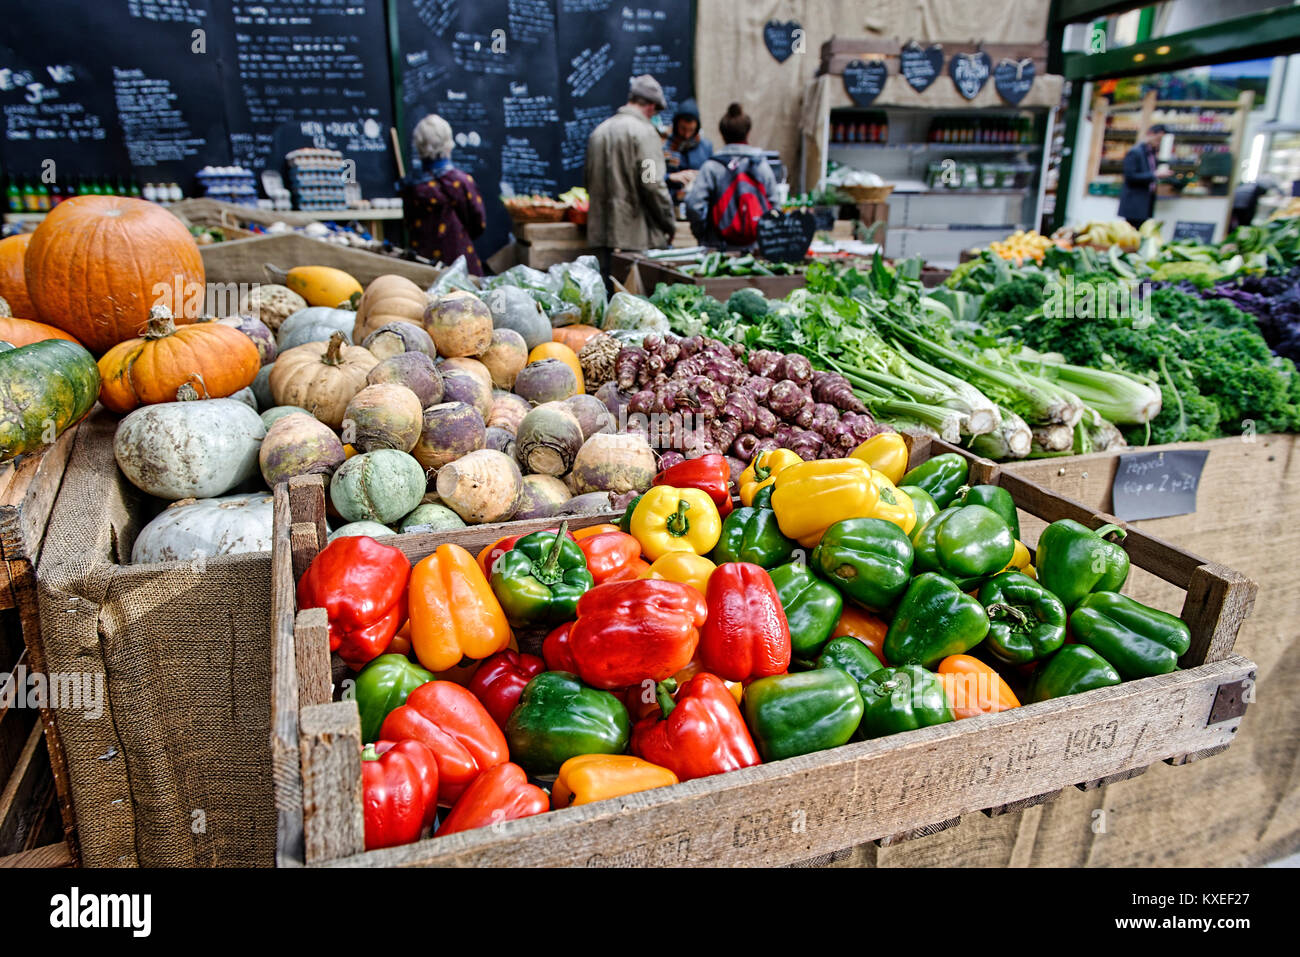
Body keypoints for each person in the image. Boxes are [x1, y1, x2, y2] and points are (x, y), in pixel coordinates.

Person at [584, 75, 677, 276]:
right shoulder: (645, 133)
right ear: (652, 107)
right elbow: (651, 183)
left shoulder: (599, 131)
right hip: (636, 239)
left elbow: (588, 180)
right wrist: (669, 223)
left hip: (602, 237)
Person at [684, 103, 780, 249]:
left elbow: (693, 206)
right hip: (754, 249)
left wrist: (703, 235)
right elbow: (775, 207)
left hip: (717, 249)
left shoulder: (711, 167)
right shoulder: (761, 165)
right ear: (748, 133)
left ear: (722, 134)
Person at [401, 114, 488, 275]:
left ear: (419, 145)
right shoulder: (461, 182)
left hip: (422, 263)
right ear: (448, 143)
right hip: (460, 262)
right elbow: (478, 223)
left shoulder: (411, 185)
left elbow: (407, 223)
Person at [1118, 123, 1171, 230]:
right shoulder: (1135, 152)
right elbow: (1130, 176)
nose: (1159, 143)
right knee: (1132, 234)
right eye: (1158, 139)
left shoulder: (1152, 154)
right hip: (1134, 204)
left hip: (1146, 203)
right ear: (1150, 134)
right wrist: (1154, 174)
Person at [664, 99, 713, 203]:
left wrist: (700, 176)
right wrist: (670, 177)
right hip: (669, 203)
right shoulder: (663, 145)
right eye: (683, 129)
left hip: (697, 204)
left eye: (691, 130)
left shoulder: (706, 146)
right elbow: (648, 178)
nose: (686, 135)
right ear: (676, 125)